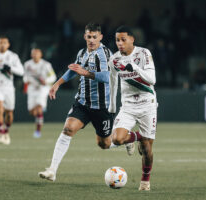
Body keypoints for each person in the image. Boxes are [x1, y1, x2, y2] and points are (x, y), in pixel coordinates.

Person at [38, 22, 131, 182]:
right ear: (85, 36)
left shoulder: (106, 54)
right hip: (82, 103)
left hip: (102, 107)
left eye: (95, 37)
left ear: (100, 37)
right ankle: (52, 170)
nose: (92, 40)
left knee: (104, 144)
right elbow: (74, 69)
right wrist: (57, 84)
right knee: (67, 129)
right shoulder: (82, 53)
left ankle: (127, 139)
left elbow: (107, 77)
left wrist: (86, 73)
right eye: (89, 36)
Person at [109, 25, 157, 191]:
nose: (120, 43)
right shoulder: (114, 60)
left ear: (132, 39)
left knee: (147, 149)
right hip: (128, 105)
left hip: (147, 104)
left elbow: (152, 80)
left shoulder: (144, 54)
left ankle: (145, 181)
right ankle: (136, 137)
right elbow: (113, 83)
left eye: (123, 39)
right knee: (116, 139)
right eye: (117, 40)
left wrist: (134, 67)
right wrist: (112, 107)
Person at [0, 35, 24, 145]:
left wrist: (10, 68)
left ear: (8, 45)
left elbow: (21, 71)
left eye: (4, 43)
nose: (2, 45)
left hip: (8, 88)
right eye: (0, 43)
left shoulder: (13, 56)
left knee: (9, 113)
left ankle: (6, 131)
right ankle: (1, 132)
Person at [23, 48, 57, 138]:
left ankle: (38, 131)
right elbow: (25, 77)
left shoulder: (46, 65)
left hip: (43, 88)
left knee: (39, 109)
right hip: (32, 88)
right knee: (32, 111)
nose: (35, 55)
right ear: (31, 55)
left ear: (41, 55)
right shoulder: (27, 64)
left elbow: (53, 76)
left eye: (37, 54)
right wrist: (27, 81)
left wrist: (46, 81)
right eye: (33, 54)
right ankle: (40, 110)